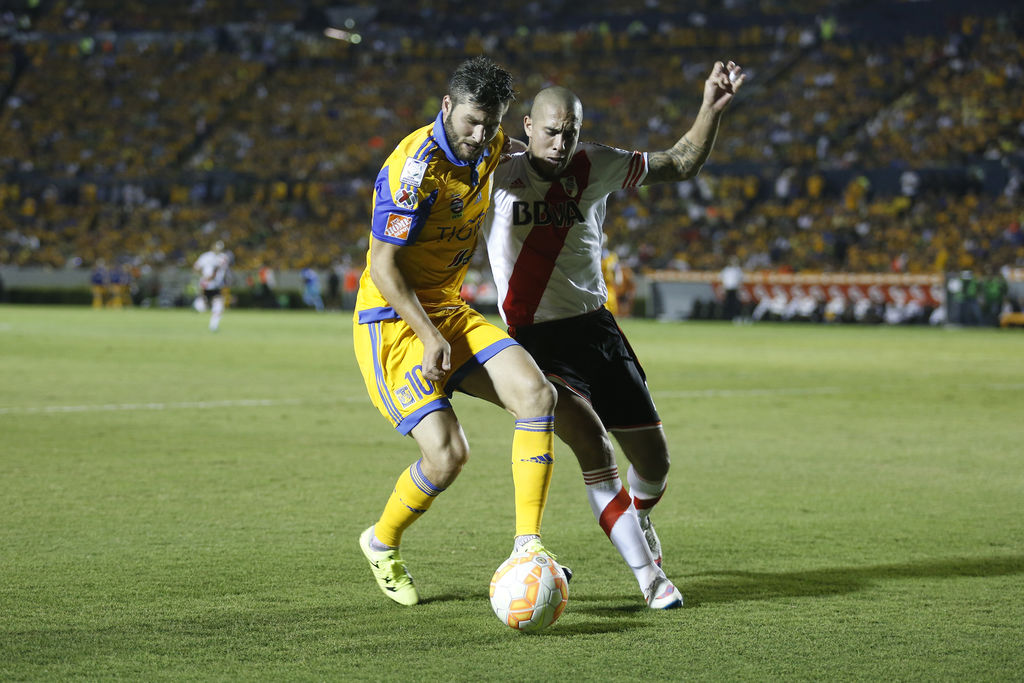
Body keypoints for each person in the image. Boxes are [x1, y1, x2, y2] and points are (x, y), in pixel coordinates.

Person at [483, 60, 746, 609]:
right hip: (535, 343)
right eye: (550, 131)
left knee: (654, 463)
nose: (560, 142)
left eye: (570, 132)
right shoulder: (494, 171)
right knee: (596, 451)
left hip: (597, 331)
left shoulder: (597, 163)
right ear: (527, 126)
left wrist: (709, 108)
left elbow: (681, 162)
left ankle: (637, 518)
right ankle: (652, 581)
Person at [353, 56, 565, 607]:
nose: (479, 134)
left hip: (446, 308)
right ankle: (381, 541)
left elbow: (518, 153)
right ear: (446, 107)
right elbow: (381, 268)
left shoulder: (490, 144)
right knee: (448, 457)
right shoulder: (412, 172)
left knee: (537, 395)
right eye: (470, 120)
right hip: (394, 322)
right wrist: (427, 335)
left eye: (490, 124)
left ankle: (528, 548)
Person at [192, 240, 230, 332]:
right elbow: (196, 267)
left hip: (216, 284)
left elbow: (222, 272)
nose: (218, 250)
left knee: (218, 304)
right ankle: (198, 304)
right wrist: (204, 277)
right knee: (207, 304)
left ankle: (213, 326)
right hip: (207, 283)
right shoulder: (206, 256)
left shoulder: (223, 257)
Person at [720, 255, 744, 321]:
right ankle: (726, 317)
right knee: (727, 303)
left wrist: (739, 289)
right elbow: (723, 279)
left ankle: (735, 317)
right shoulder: (726, 270)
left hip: (735, 289)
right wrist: (723, 289)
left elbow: (740, 280)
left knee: (735, 304)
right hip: (728, 289)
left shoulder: (738, 270)